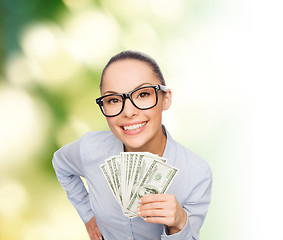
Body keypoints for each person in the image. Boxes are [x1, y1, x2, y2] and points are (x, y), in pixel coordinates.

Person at [52, 50, 212, 240]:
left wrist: (179, 224)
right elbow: (60, 164)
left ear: (165, 99)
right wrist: (88, 215)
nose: (128, 112)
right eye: (113, 100)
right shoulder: (89, 149)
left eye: (143, 94)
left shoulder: (197, 174)